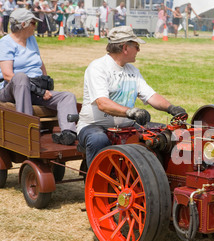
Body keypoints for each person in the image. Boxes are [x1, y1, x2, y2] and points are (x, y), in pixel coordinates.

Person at [77, 26, 187, 167]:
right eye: (136, 46)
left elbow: (151, 96)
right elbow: (102, 103)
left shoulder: (133, 71)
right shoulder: (98, 67)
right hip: (94, 126)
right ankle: (95, 182)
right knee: (98, 139)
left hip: (126, 126)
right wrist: (130, 112)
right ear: (125, 48)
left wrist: (171, 108)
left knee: (162, 136)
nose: (139, 50)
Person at [0, 8, 78, 145]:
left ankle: (68, 133)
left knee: (67, 96)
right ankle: (26, 131)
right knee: (20, 77)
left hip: (34, 88)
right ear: (23, 25)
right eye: (33, 23)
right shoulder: (5, 43)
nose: (36, 26)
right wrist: (39, 91)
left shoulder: (31, 40)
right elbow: (7, 75)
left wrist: (45, 82)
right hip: (12, 89)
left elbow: (40, 64)